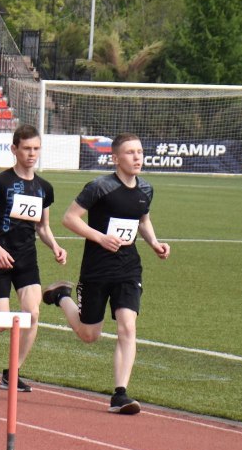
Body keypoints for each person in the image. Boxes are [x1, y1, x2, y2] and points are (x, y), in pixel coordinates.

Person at [43, 133, 171, 415]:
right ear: (115, 158)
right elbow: (69, 218)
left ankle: (120, 394)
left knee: (128, 325)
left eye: (139, 151)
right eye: (129, 153)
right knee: (89, 335)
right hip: (97, 269)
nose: (137, 157)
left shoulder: (146, 190)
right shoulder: (100, 187)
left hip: (128, 268)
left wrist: (154, 243)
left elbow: (143, 220)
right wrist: (100, 238)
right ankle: (61, 295)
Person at [0, 124, 67, 391]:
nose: (32, 154)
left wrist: (55, 246)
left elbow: (42, 226)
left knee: (32, 314)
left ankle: (12, 372)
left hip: (27, 258)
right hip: (0, 256)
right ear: (14, 149)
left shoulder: (45, 187)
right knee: (0, 326)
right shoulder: (0, 182)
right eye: (26, 148)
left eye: (36, 148)